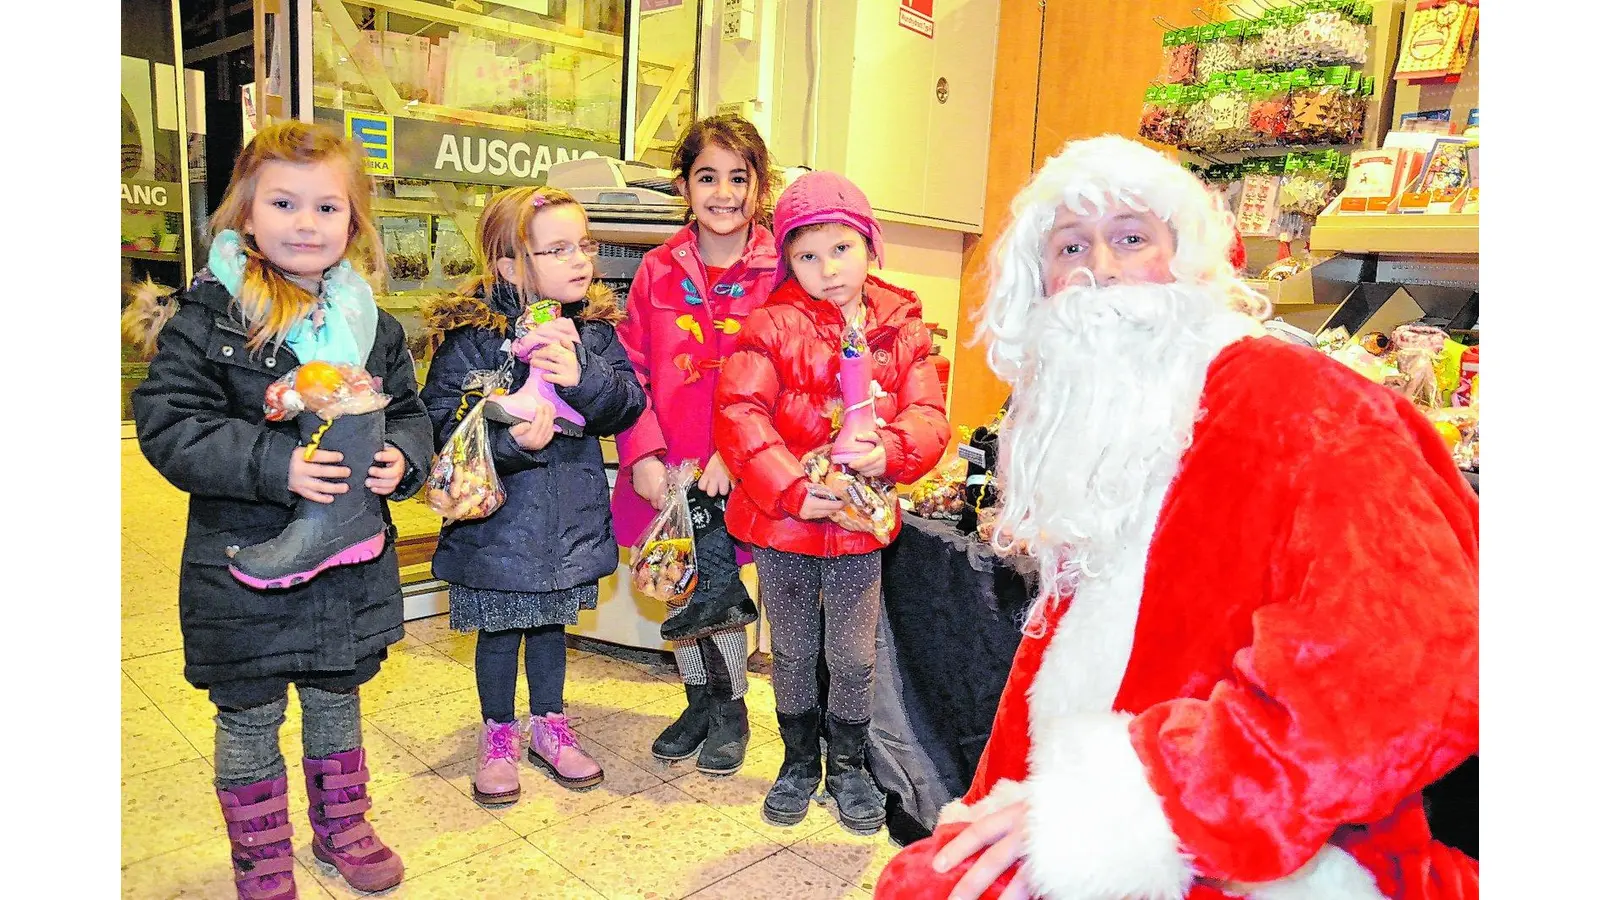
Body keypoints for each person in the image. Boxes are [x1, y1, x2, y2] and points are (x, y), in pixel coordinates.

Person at [873, 135, 1478, 899]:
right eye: (1071, 247)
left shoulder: (1305, 403)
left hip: (1279, 850)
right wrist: (1006, 817)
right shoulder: (1114, 438)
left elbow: (1410, 653)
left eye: (1132, 237)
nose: (1101, 268)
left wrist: (1134, 801)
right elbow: (1060, 686)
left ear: (1189, 260)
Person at [127, 121, 433, 899]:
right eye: (285, 203)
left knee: (338, 694)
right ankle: (260, 851)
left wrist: (405, 457)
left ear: (355, 220)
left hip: (348, 566)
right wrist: (277, 464)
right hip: (241, 560)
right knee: (249, 710)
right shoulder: (211, 316)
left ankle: (344, 825)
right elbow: (170, 423)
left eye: (327, 207)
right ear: (247, 212)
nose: (306, 223)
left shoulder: (373, 325)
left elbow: (410, 410)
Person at [714, 171, 950, 834]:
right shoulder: (770, 324)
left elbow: (928, 412)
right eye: (807, 256)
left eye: (841, 249)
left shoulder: (901, 327)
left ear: (869, 246)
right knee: (791, 650)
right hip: (785, 525)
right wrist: (792, 489)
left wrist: (892, 451)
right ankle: (796, 763)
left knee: (852, 655)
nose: (827, 269)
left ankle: (847, 766)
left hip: (857, 527)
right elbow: (740, 413)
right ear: (788, 260)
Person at [418, 186, 646, 806]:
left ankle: (549, 725)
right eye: (558, 250)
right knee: (500, 633)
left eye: (585, 246)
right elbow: (440, 427)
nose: (581, 261)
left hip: (565, 523)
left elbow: (627, 404)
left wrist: (583, 377)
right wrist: (509, 437)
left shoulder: (593, 334)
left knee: (550, 631)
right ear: (511, 267)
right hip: (494, 529)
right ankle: (497, 737)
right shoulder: (469, 341)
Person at [613, 114, 780, 776]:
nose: (723, 192)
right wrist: (646, 455)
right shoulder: (656, 271)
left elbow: (780, 372)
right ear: (684, 186)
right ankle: (696, 701)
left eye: (738, 178)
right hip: (667, 471)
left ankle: (732, 704)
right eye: (707, 176)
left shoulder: (776, 271)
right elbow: (632, 371)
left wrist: (733, 455)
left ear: (759, 186)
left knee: (721, 589)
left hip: (736, 470)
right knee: (676, 585)